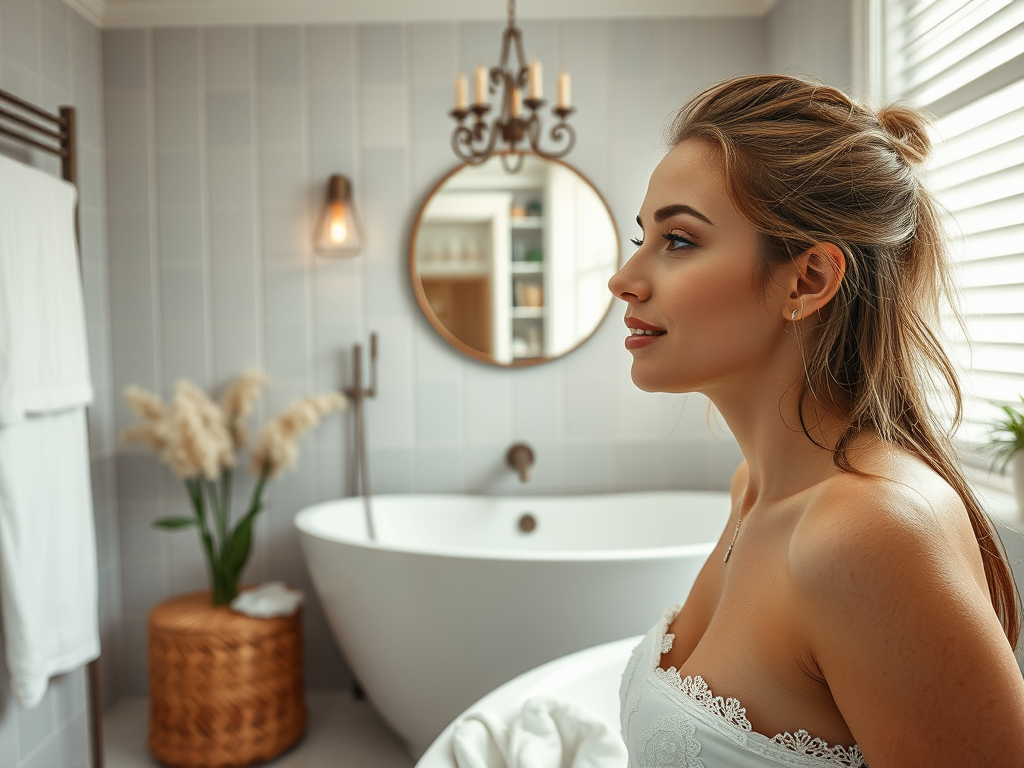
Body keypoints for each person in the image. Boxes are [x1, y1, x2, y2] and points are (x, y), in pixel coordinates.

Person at [609, 73, 1024, 767]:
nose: (625, 277)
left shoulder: (870, 531)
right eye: (641, 237)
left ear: (807, 280)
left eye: (677, 241)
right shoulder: (757, 486)